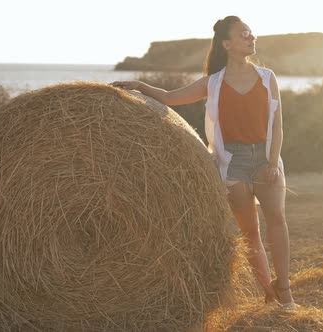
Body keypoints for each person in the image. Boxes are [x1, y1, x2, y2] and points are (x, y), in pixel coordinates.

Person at [110, 15, 297, 309]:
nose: (252, 37)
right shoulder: (214, 83)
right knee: (250, 234)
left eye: (251, 33)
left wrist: (273, 162)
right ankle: (269, 292)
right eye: (244, 33)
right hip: (232, 162)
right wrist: (139, 85)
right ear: (227, 43)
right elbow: (170, 97)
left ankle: (284, 289)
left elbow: (278, 126)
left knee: (277, 219)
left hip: (264, 159)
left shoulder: (267, 77)